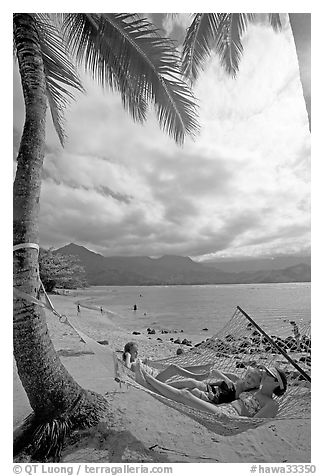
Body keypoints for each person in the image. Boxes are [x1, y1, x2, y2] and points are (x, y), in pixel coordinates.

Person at [134, 362, 287, 418]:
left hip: (228, 417)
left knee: (186, 394)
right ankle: (149, 383)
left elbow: (253, 423)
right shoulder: (255, 391)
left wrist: (232, 419)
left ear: (276, 384)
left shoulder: (272, 404)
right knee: (187, 391)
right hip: (221, 408)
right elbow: (235, 394)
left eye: (269, 374)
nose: (265, 374)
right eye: (266, 372)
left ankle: (148, 380)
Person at [154, 363, 261, 405]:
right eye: (249, 376)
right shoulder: (236, 378)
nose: (249, 380)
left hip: (212, 398)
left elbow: (231, 404)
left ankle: (159, 389)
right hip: (209, 387)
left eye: (253, 380)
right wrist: (226, 379)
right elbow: (214, 372)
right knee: (191, 382)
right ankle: (159, 386)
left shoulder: (246, 394)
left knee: (192, 391)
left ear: (255, 385)